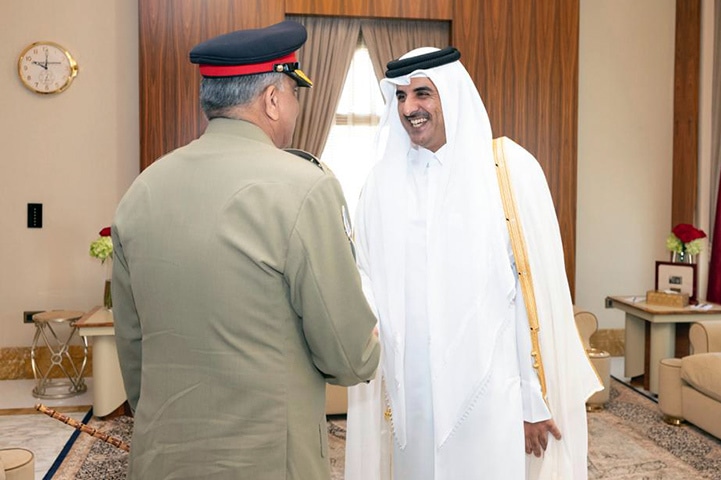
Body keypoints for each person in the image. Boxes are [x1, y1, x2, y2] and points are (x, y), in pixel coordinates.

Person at [111, 20, 380, 480]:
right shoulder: (305, 187)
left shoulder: (143, 189)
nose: (295, 108)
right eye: (294, 94)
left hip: (161, 458)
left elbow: (133, 349)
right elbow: (349, 358)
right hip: (268, 461)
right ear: (273, 100)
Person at [344, 47, 602, 480]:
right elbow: (365, 277)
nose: (410, 108)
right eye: (401, 97)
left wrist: (532, 400)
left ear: (452, 94)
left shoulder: (506, 172)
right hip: (415, 401)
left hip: (489, 396)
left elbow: (528, 297)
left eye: (423, 93)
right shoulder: (380, 186)